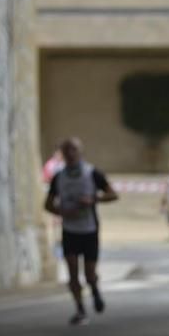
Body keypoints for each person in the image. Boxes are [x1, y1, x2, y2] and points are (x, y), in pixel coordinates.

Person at [44, 137, 119, 325]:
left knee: (89, 273)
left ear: (80, 152)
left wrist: (94, 200)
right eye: (66, 150)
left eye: (73, 150)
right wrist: (62, 212)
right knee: (72, 273)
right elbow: (47, 204)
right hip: (69, 230)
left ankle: (94, 289)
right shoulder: (58, 177)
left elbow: (113, 194)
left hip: (89, 229)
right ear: (62, 153)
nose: (70, 154)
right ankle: (79, 308)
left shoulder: (92, 173)